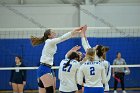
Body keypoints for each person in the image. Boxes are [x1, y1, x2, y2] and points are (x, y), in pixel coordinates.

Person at [30, 27, 83, 93]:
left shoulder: (51, 42)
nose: (54, 33)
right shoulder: (49, 42)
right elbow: (62, 38)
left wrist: (72, 50)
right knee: (50, 91)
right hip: (44, 69)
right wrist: (73, 32)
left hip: (45, 68)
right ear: (49, 35)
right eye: (52, 32)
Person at [80, 25, 111, 92]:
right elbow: (86, 43)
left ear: (96, 51)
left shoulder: (94, 56)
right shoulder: (98, 58)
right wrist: (84, 33)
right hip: (101, 86)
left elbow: (84, 43)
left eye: (95, 47)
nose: (93, 47)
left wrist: (82, 33)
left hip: (99, 86)